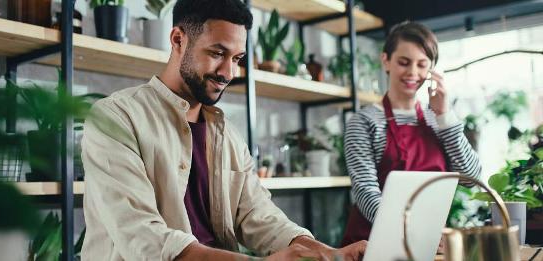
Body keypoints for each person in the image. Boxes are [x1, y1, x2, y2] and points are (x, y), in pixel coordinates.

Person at [80, 0, 366, 260]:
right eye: (218, 53)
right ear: (178, 39)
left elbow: (258, 214)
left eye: (237, 59)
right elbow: (143, 236)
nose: (228, 72)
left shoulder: (226, 133)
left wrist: (327, 253)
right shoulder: (116, 117)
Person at [341, 21, 482, 246]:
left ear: (432, 69)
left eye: (422, 65)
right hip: (371, 245)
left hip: (425, 243)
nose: (413, 73)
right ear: (386, 60)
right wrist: (410, 233)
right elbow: (366, 192)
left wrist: (445, 115)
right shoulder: (364, 122)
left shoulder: (438, 120)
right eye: (404, 63)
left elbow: (470, 177)